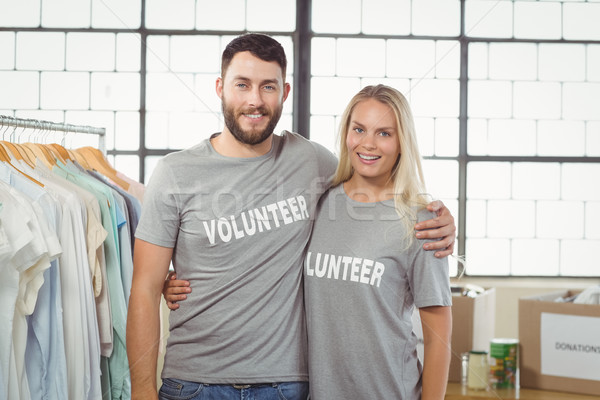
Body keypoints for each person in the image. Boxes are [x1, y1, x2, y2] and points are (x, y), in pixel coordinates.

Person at [127, 33, 455, 400]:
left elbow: (374, 182)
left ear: (284, 92)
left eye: (267, 86)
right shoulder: (175, 173)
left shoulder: (311, 162)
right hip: (195, 383)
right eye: (242, 85)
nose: (255, 100)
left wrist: (437, 215)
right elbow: (143, 287)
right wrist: (141, 390)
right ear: (220, 88)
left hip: (288, 385)